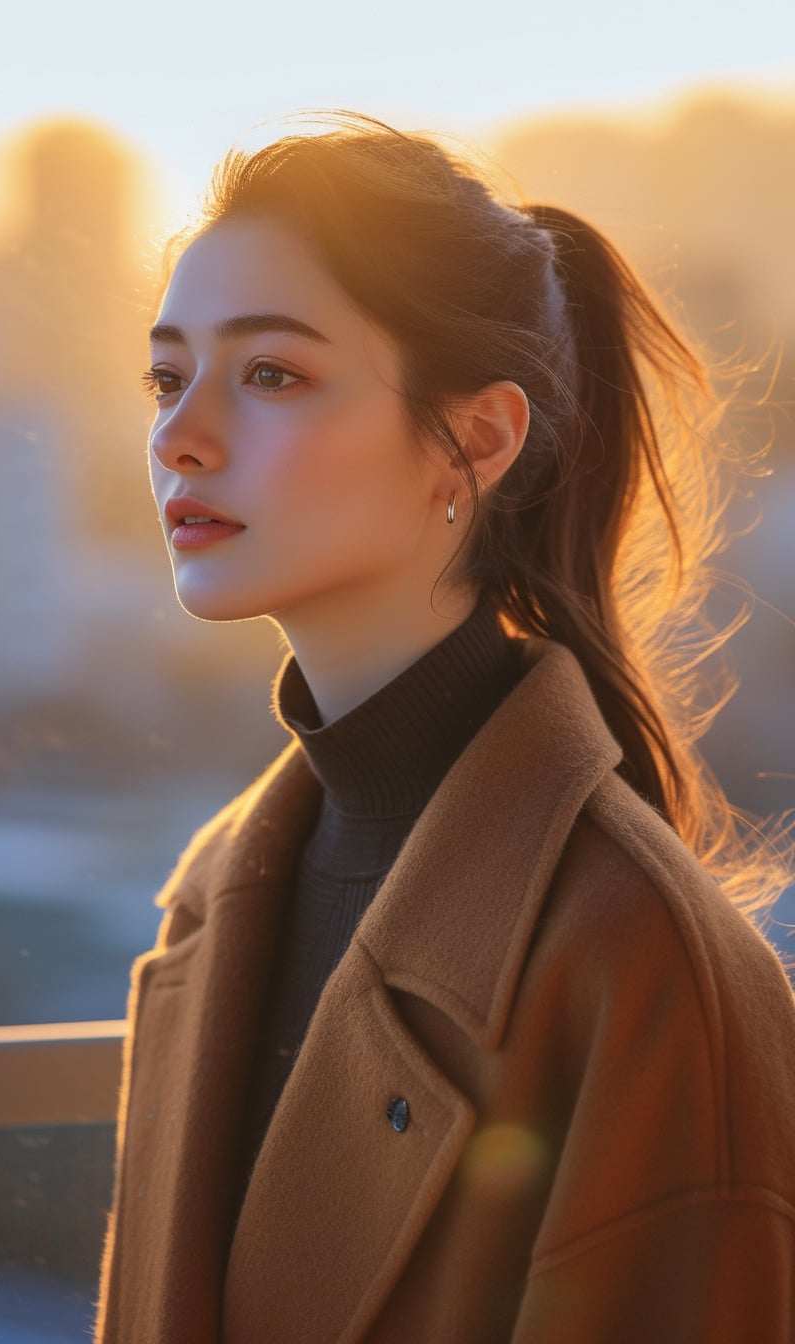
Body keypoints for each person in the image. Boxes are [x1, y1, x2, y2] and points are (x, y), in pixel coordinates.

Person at [93, 113, 795, 1343]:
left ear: (472, 439)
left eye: (271, 374)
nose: (176, 435)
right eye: (166, 375)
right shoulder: (213, 892)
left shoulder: (638, 961)